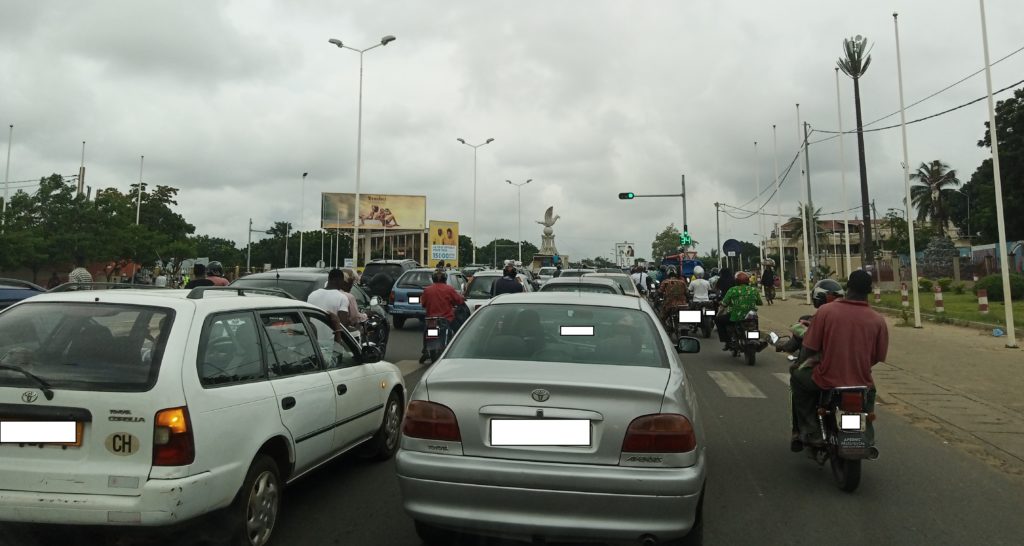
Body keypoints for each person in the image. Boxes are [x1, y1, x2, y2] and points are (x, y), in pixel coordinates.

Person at [790, 270, 888, 449]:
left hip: (826, 378)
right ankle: (867, 436)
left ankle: (811, 430)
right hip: (862, 382)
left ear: (847, 287)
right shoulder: (878, 320)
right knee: (869, 401)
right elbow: (877, 357)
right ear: (869, 291)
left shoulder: (826, 312)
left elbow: (810, 347)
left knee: (797, 379)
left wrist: (799, 364)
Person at [419, 270, 466, 363]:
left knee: (426, 332)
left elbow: (423, 304)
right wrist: (462, 299)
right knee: (459, 331)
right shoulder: (449, 289)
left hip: (431, 319)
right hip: (446, 318)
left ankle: (425, 350)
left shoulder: (427, 290)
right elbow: (459, 300)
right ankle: (458, 348)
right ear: (445, 278)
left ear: (433, 279)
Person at [715, 271, 761, 350]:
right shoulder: (754, 290)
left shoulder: (732, 290)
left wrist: (720, 309)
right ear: (748, 281)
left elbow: (724, 304)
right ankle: (756, 339)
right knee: (755, 321)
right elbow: (759, 302)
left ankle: (727, 341)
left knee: (718, 320)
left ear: (736, 281)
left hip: (735, 316)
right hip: (751, 316)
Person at [306, 269, 351, 342]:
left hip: (313, 341)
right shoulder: (342, 298)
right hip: (331, 342)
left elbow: (308, 318)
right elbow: (342, 325)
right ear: (339, 280)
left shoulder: (312, 295)